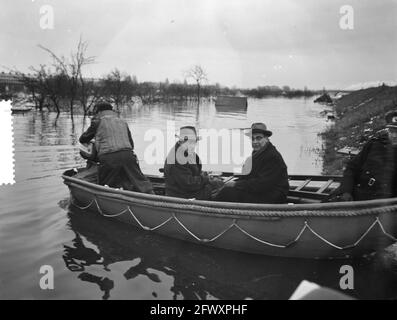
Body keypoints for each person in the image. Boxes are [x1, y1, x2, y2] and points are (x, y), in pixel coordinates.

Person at [79, 102, 153, 193]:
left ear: (98, 112)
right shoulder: (122, 121)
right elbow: (131, 144)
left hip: (109, 157)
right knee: (139, 181)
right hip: (128, 155)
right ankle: (152, 198)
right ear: (111, 110)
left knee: (106, 186)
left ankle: (108, 203)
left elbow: (83, 139)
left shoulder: (97, 121)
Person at [213, 122, 289, 204]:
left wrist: (236, 184)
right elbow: (246, 177)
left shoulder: (272, 156)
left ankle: (210, 209)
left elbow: (262, 184)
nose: (255, 142)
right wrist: (228, 184)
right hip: (261, 192)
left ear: (266, 138)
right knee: (222, 189)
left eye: (258, 138)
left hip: (273, 197)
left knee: (227, 193)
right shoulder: (257, 153)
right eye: (252, 139)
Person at [330, 110, 397, 201]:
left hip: (384, 203)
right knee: (321, 209)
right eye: (391, 131)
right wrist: (346, 191)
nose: (394, 135)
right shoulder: (375, 143)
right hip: (358, 193)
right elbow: (352, 168)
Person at [164, 126, 223, 199]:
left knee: (220, 184)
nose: (193, 145)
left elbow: (195, 173)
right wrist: (207, 179)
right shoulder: (176, 158)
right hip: (181, 196)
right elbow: (189, 184)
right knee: (222, 189)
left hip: (190, 192)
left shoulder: (188, 153)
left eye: (194, 142)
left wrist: (205, 175)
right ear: (181, 141)